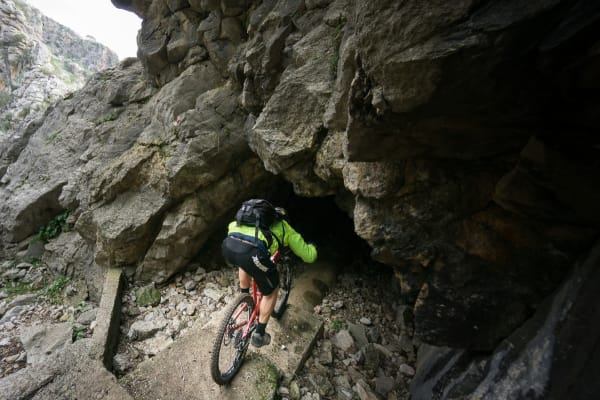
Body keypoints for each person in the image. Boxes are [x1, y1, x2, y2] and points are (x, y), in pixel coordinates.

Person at [221, 202, 317, 347]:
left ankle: (245, 298)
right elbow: (308, 256)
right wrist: (314, 248)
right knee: (271, 291)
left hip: (229, 246)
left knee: (244, 262)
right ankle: (259, 334)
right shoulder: (284, 227)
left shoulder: (249, 220)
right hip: (252, 254)